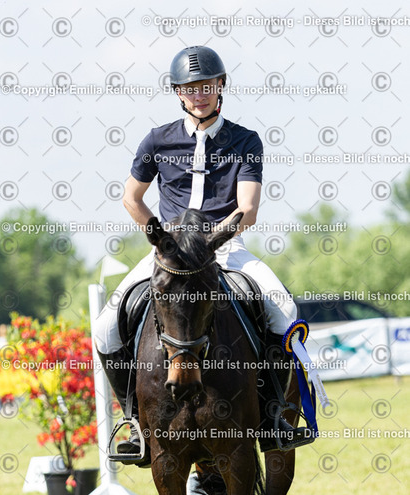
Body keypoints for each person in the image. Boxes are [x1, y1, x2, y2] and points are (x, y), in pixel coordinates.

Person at [95, 45, 303, 456]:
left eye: (207, 86)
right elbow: (131, 198)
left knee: (285, 311)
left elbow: (248, 209)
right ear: (178, 92)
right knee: (104, 328)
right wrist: (160, 239)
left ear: (221, 85)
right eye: (190, 88)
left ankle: (273, 414)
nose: (199, 95)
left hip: (223, 247)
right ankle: (135, 421)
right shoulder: (157, 140)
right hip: (170, 252)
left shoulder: (244, 140)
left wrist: (212, 240)